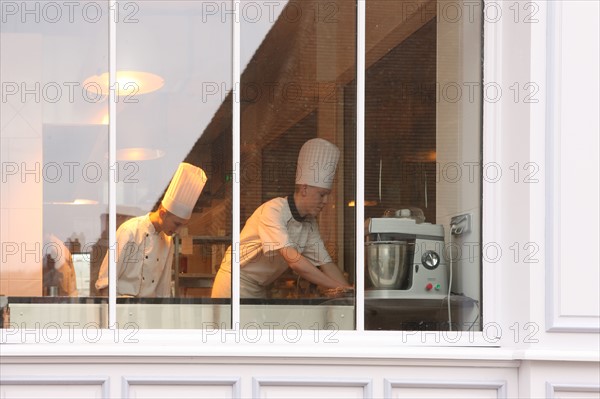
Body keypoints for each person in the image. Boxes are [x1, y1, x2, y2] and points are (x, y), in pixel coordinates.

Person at [211, 138, 352, 298]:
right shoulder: (274, 210)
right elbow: (295, 262)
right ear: (304, 188)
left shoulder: (309, 224)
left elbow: (326, 263)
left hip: (259, 287)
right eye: (322, 195)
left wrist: (350, 293)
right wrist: (340, 288)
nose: (325, 202)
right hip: (233, 282)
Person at [95, 162, 207, 297]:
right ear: (162, 213)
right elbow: (105, 281)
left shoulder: (167, 240)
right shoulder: (130, 231)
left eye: (182, 225)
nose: (178, 230)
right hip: (122, 310)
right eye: (176, 224)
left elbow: (163, 289)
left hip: (148, 312)